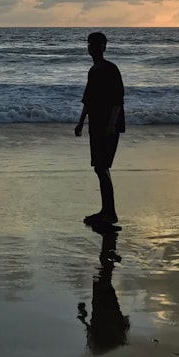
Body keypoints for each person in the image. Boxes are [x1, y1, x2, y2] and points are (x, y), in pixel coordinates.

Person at [74, 31, 125, 227]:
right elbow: (88, 100)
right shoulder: (93, 70)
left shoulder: (111, 69)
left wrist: (112, 124)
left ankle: (110, 213)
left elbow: (118, 99)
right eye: (89, 44)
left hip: (108, 125)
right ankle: (106, 211)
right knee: (99, 167)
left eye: (96, 45)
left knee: (103, 168)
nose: (92, 48)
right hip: (95, 124)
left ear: (104, 47)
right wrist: (81, 122)